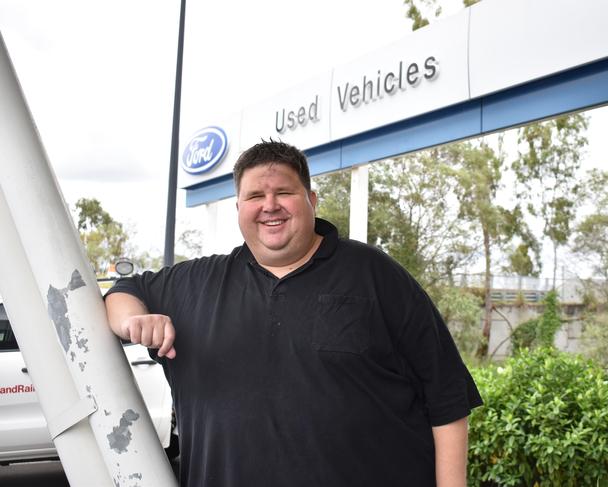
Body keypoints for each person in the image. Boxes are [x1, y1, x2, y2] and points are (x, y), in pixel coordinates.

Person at [104, 140, 482, 487]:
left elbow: (446, 394)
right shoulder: (194, 284)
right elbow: (123, 292)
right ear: (239, 207)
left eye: (284, 192)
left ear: (312, 200)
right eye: (255, 195)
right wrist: (135, 320)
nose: (270, 205)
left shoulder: (375, 275)